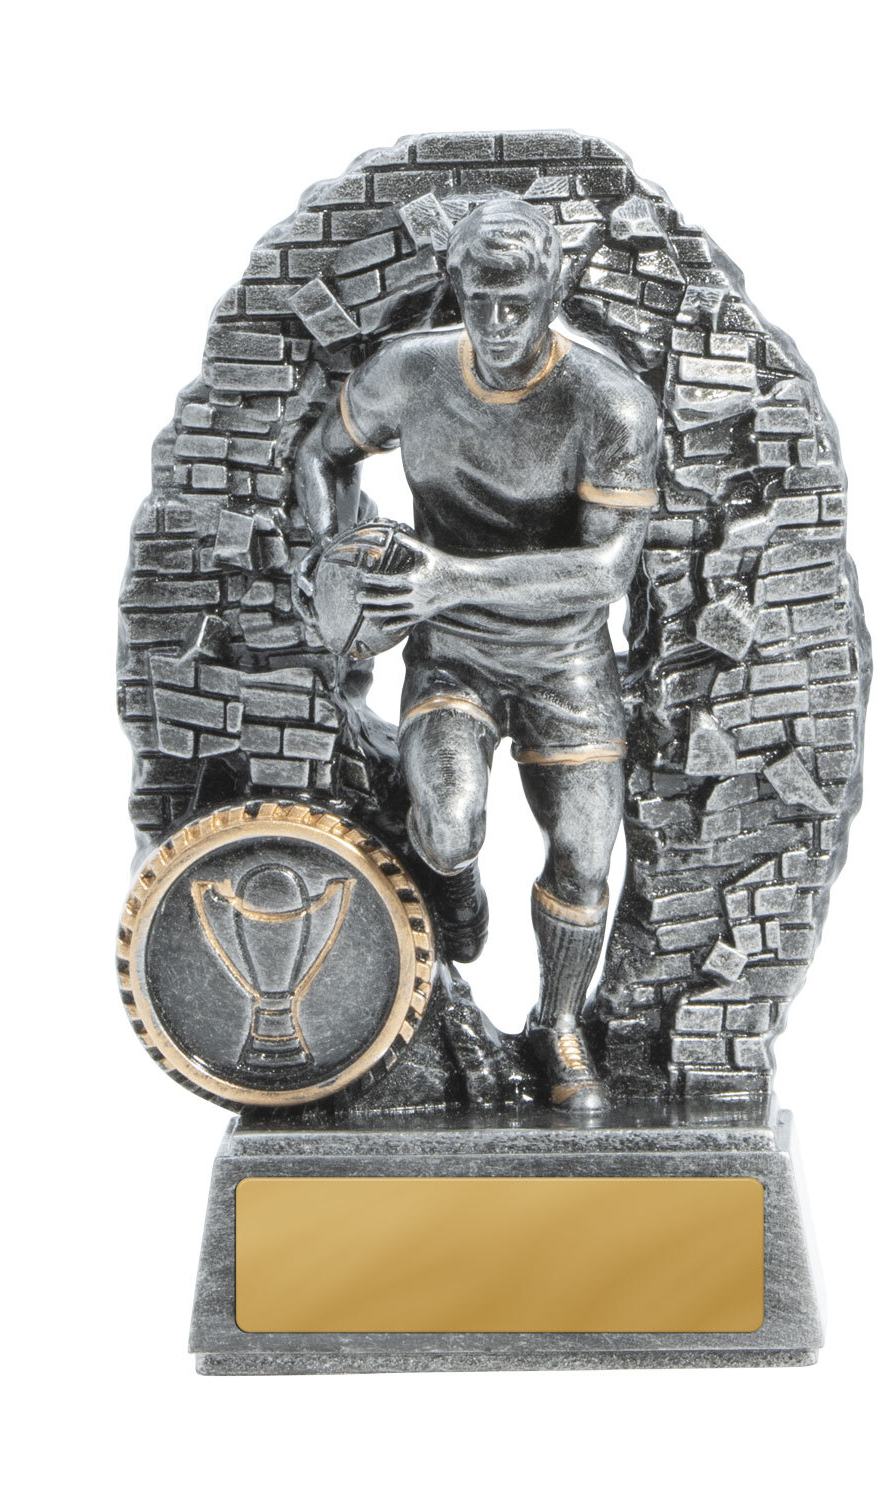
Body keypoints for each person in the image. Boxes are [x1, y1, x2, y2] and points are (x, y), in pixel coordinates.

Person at [294, 196, 659, 1111]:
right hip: (451, 653)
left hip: (565, 659)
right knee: (450, 822)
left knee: (585, 855)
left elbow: (607, 569)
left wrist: (449, 578)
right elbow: (321, 454)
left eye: (517, 302)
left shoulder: (608, 402)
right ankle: (452, 886)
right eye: (479, 299)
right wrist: (336, 562)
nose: (497, 322)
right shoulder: (411, 373)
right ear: (455, 289)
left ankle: (560, 1023)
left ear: (552, 293)